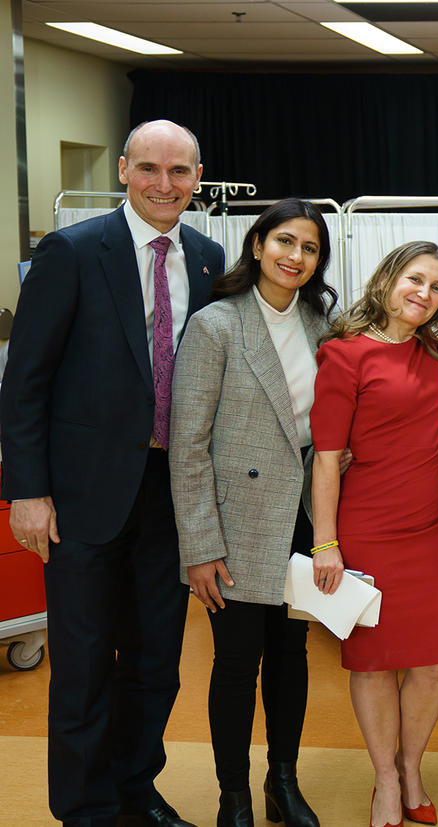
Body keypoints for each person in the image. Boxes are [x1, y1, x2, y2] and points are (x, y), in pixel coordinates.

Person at [1, 119, 222, 827]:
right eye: (150, 168)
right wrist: (27, 490)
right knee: (85, 665)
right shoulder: (71, 251)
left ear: (197, 178)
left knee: (156, 661)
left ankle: (137, 790)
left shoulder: (209, 257)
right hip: (80, 499)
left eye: (180, 171)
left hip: (170, 498)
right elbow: (25, 381)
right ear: (124, 168)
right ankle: (87, 807)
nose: (165, 184)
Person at [169, 198, 335, 827]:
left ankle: (282, 784)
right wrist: (200, 546)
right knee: (237, 662)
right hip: (235, 523)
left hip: (303, 515)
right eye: (285, 242)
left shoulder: (323, 324)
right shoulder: (217, 324)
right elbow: (187, 445)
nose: (296, 257)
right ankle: (233, 794)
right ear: (258, 244)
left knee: (292, 656)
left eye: (310, 248)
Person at [310, 241, 438, 827]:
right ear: (387, 280)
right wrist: (326, 543)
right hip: (370, 529)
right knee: (374, 662)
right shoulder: (344, 355)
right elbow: (327, 458)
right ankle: (384, 779)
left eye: (435, 288)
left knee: (434, 663)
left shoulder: (437, 352)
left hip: (436, 528)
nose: (423, 294)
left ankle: (412, 768)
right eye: (415, 280)